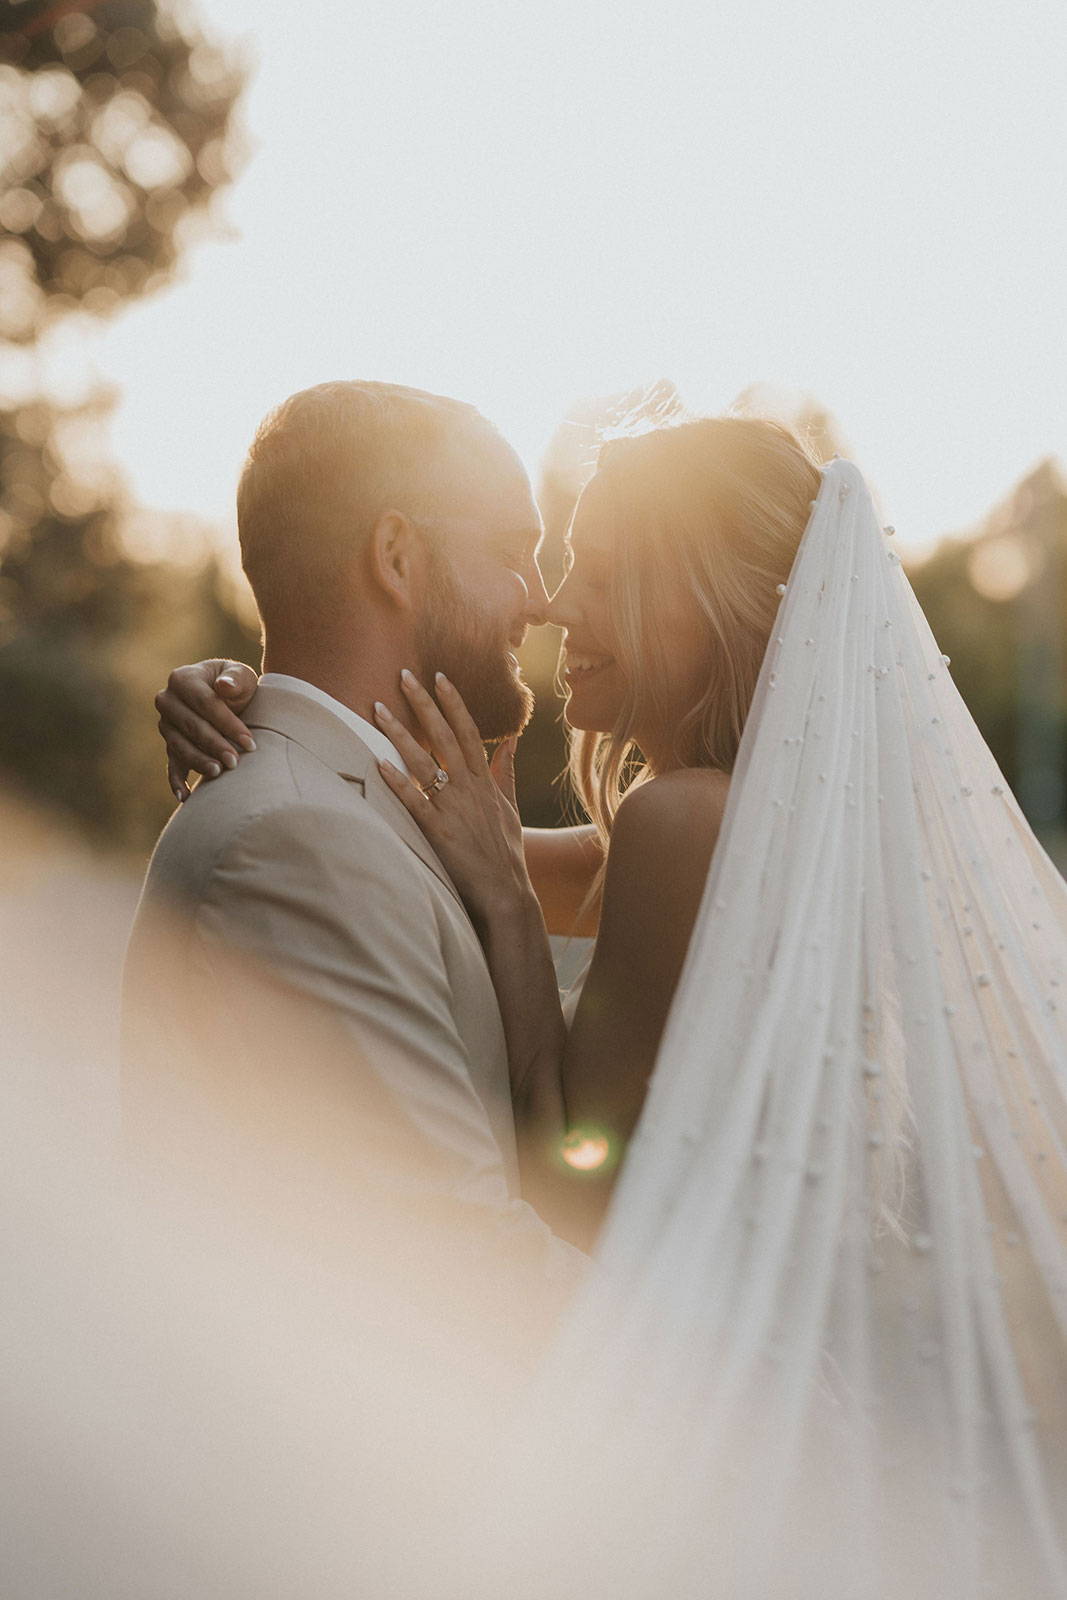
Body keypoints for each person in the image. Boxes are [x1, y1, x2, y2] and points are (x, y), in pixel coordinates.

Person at [160, 412, 1067, 1596]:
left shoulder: (682, 822)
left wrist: (498, 903)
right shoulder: (758, 810)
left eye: (601, 576)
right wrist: (253, 694)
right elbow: (401, 823)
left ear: (699, 598)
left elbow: (571, 1168)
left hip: (706, 1433)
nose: (558, 610)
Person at [122, 380, 585, 1376]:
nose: (542, 597)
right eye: (511, 548)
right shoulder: (296, 839)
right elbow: (459, 1273)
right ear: (395, 555)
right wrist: (749, 1379)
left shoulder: (389, 809)